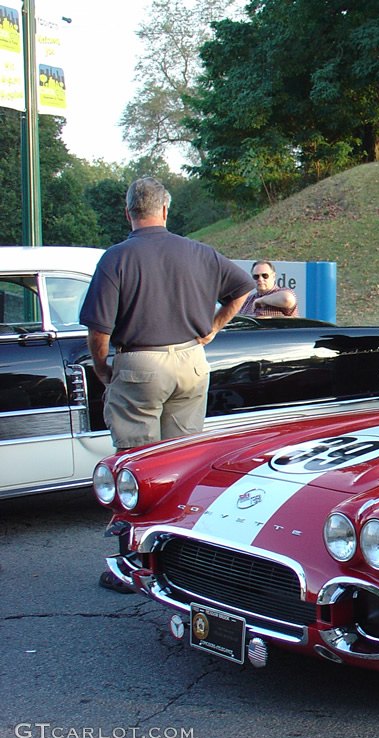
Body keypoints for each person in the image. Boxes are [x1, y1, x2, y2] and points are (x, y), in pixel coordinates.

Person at [80, 177, 252, 592]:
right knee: (185, 462)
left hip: (140, 363)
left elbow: (98, 330)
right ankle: (186, 556)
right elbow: (244, 288)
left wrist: (104, 369)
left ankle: (131, 564)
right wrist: (211, 328)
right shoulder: (199, 252)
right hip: (191, 361)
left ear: (128, 213)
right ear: (166, 210)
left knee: (136, 465)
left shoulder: (117, 258)